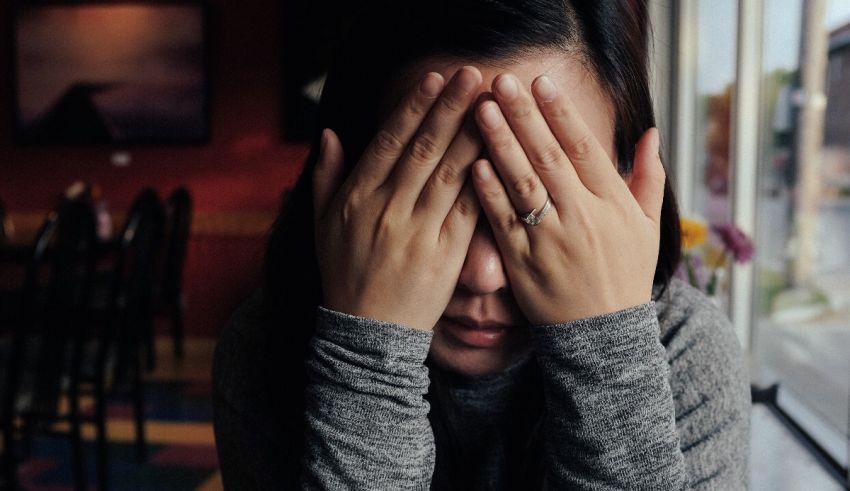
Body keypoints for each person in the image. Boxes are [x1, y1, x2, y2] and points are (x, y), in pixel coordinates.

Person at [212, 1, 751, 489]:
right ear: (345, 184)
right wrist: (368, 357)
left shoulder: (687, 353)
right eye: (432, 201)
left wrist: (607, 354)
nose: (484, 274)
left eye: (539, 201)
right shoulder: (265, 351)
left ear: (633, 184)